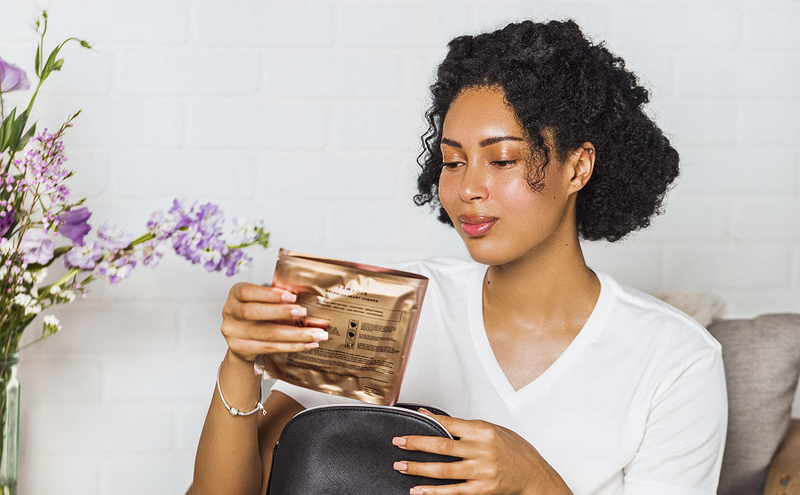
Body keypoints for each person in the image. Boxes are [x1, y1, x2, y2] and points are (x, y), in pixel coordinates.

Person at [189, 18, 727, 495]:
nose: (468, 187)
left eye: (502, 159)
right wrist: (242, 363)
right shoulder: (388, 307)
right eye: (451, 161)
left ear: (577, 167)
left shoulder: (675, 359)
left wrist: (534, 482)